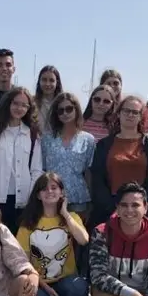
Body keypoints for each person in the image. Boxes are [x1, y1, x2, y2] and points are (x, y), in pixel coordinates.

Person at [16, 173, 90, 296]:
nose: (49, 191)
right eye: (44, 189)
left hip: (65, 280)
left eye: (54, 187)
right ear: (38, 195)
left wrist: (65, 213)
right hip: (40, 283)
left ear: (61, 192)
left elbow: (84, 240)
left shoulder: (71, 218)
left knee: (80, 287)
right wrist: (45, 287)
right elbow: (24, 262)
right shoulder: (28, 223)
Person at [90, 96, 148, 232]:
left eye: (135, 112)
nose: (130, 115)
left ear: (141, 116)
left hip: (142, 212)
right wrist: (115, 208)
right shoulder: (104, 144)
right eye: (126, 111)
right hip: (109, 211)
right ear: (119, 113)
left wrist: (141, 208)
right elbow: (98, 177)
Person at [0, 87, 43, 233]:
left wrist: (31, 202)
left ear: (29, 109)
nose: (19, 108)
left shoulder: (32, 134)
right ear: (8, 103)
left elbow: (36, 170)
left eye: (24, 105)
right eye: (15, 103)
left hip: (23, 202)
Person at [40, 93, 96, 221]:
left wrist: (92, 200)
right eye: (60, 111)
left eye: (69, 109)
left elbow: (89, 172)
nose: (65, 113)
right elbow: (42, 169)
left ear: (77, 110)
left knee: (77, 232)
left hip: (79, 198)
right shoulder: (46, 139)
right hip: (51, 197)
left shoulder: (88, 140)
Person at [33, 65, 63, 134]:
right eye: (44, 80)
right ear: (39, 81)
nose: (47, 84)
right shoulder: (32, 102)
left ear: (57, 82)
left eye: (51, 80)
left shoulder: (63, 104)